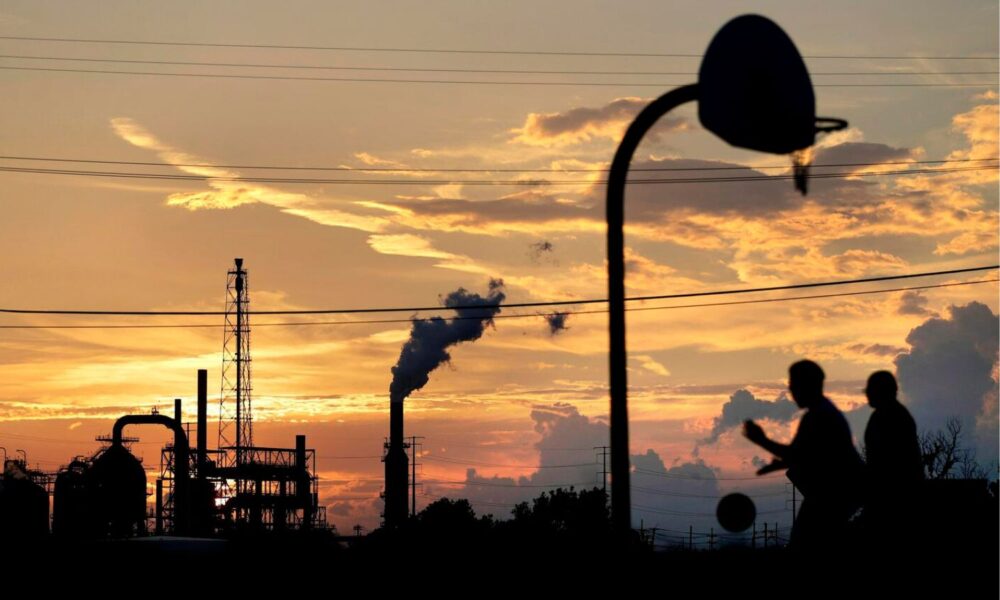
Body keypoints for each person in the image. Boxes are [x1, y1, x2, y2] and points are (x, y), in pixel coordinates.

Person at [742, 360, 863, 552]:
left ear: (807, 385)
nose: (791, 390)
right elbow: (805, 455)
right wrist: (779, 464)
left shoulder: (819, 416)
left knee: (803, 542)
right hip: (837, 494)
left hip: (833, 495)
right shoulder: (823, 412)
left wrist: (761, 439)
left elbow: (796, 454)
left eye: (794, 385)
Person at [862, 370, 923, 548]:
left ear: (882, 391)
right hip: (889, 501)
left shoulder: (892, 417)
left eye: (870, 390)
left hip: (894, 505)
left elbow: (888, 465)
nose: (867, 394)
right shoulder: (885, 415)